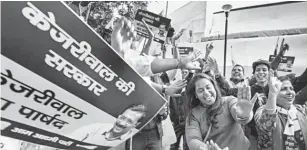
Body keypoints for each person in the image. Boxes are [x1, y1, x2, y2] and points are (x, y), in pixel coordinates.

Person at [185, 73, 258, 150]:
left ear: (214, 87)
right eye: (200, 90)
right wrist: (206, 148)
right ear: (195, 95)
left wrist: (243, 115)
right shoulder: (193, 114)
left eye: (208, 87)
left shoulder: (229, 101)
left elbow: (241, 116)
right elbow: (193, 139)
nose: (206, 93)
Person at [255, 71, 307, 150]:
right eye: (283, 89)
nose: (290, 92)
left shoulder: (300, 110)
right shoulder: (262, 111)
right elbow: (266, 124)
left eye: (291, 88)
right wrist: (272, 94)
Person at [69, 104, 147, 148]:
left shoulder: (130, 144)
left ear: (136, 125)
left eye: (129, 121)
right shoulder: (96, 127)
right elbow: (69, 139)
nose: (121, 123)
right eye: (122, 118)